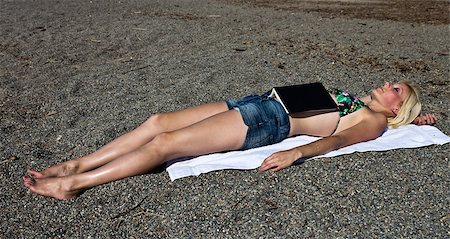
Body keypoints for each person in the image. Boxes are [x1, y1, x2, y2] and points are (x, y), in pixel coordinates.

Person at [23, 81, 436, 200]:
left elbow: (334, 143)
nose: (387, 85)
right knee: (158, 121)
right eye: (390, 82)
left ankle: (72, 184)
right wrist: (417, 119)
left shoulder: (373, 123)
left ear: (399, 109)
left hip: (270, 119)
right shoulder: (364, 104)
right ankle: (76, 163)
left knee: (165, 143)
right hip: (258, 101)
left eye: (397, 90)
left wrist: (295, 153)